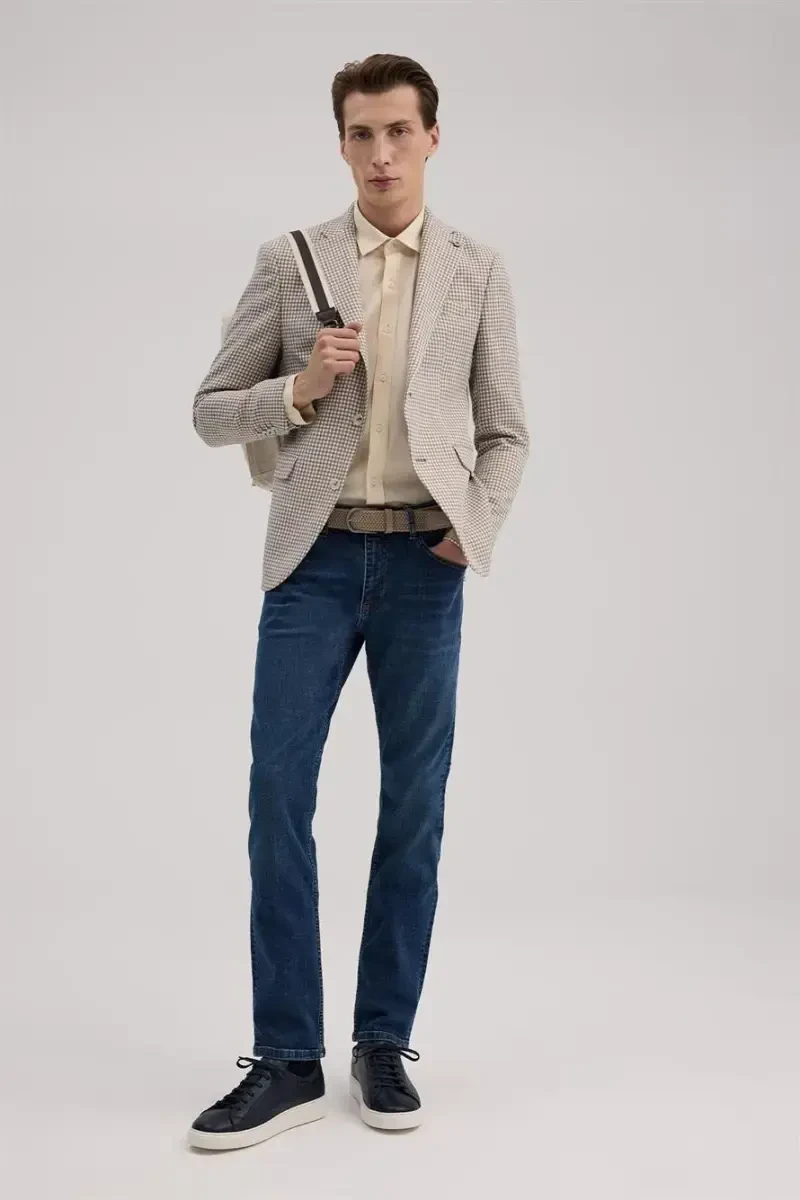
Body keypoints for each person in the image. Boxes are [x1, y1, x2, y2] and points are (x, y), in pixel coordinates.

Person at [187, 53, 529, 1151]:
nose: (380, 154)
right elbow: (209, 410)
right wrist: (300, 388)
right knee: (276, 793)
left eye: (398, 132)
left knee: (413, 803)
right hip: (315, 559)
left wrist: (472, 526)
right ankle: (288, 1057)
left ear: (431, 137)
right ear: (340, 144)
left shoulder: (476, 269)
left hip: (425, 565)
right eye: (361, 134)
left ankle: (382, 1040)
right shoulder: (290, 261)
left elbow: (505, 430)